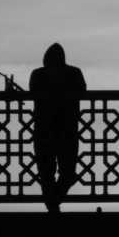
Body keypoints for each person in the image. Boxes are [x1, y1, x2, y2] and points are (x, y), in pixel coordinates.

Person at [29, 43, 87, 213]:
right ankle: (54, 205)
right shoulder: (74, 73)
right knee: (66, 173)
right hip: (67, 129)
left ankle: (53, 206)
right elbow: (82, 92)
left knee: (46, 174)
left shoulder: (38, 74)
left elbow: (33, 93)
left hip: (44, 129)